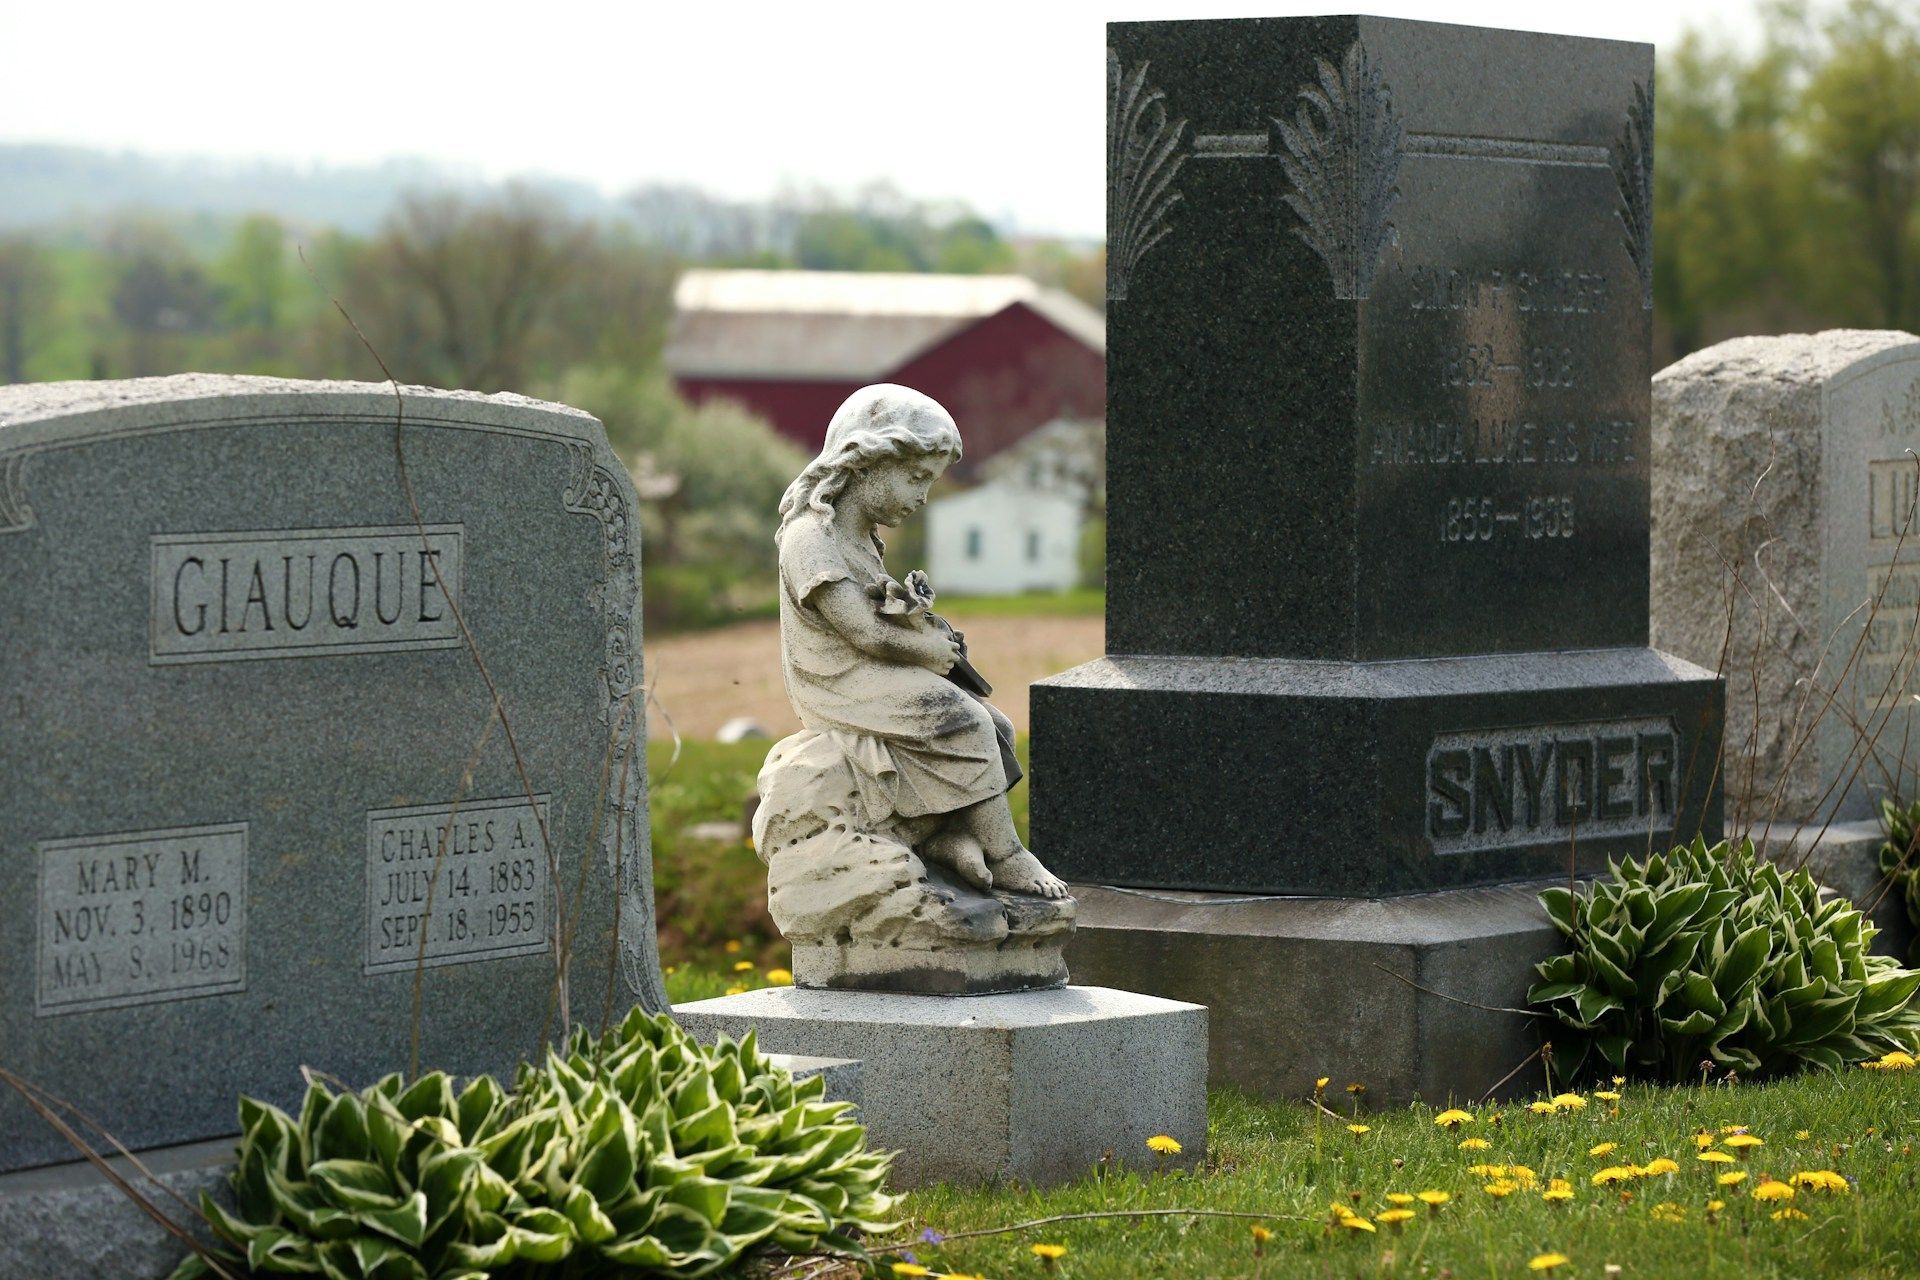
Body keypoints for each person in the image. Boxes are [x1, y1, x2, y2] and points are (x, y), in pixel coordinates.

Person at [773, 383, 1067, 899]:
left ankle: (949, 835)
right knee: (964, 721)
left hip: (870, 670)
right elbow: (860, 632)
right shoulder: (810, 538)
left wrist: (916, 621)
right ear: (864, 464)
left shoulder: (861, 538)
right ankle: (1007, 855)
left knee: (995, 726)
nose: (923, 496)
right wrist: (926, 652)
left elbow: (874, 617)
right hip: (838, 680)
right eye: (914, 478)